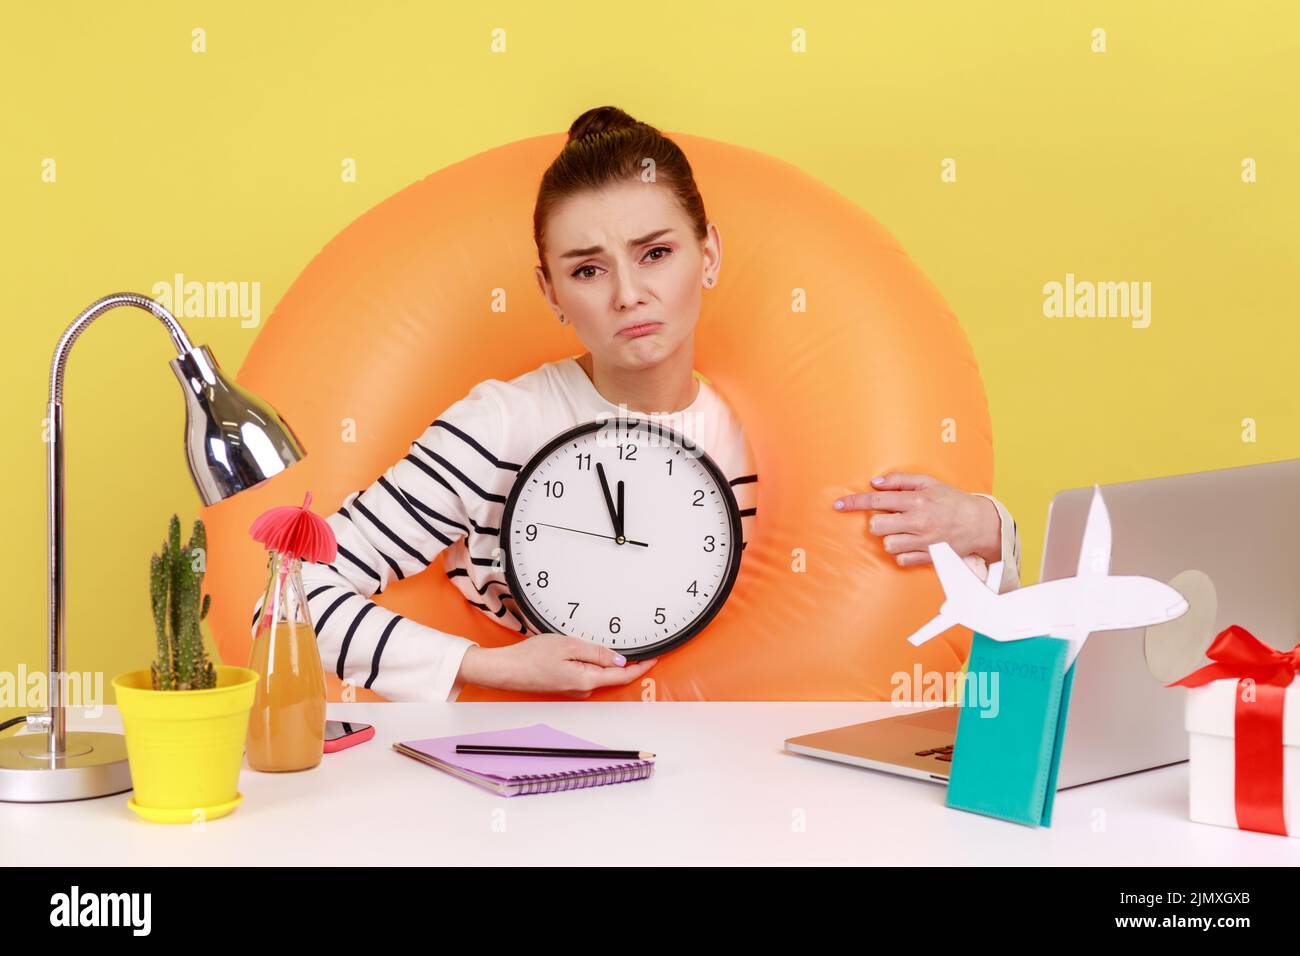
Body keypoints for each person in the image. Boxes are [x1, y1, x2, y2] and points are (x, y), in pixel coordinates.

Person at [251, 105, 1020, 702]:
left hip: (739, 785)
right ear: (550, 291)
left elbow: (911, 607)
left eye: (656, 253)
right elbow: (281, 595)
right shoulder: (499, 429)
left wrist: (987, 528)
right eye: (588, 270)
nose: (629, 294)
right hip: (529, 775)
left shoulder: (774, 447)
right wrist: (489, 665)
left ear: (708, 254)